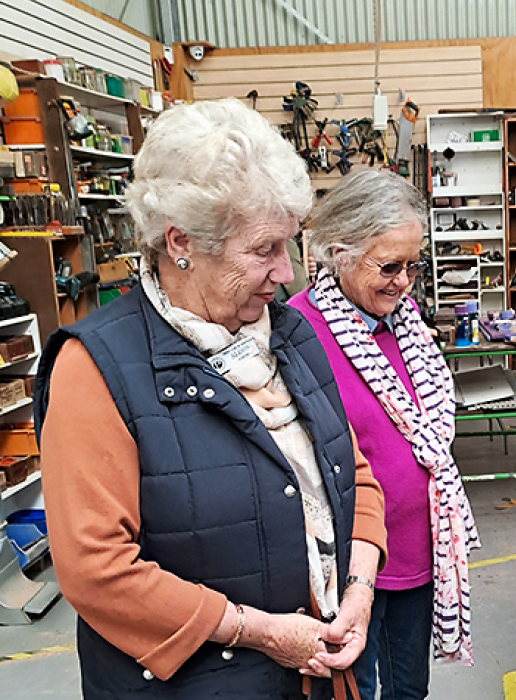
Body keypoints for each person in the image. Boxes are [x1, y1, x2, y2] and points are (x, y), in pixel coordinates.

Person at [34, 98, 387, 700]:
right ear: (181, 242)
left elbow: (352, 473)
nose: (287, 273)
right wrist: (259, 632)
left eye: (288, 245)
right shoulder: (96, 368)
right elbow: (98, 570)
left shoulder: (290, 335)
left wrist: (358, 590)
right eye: (264, 250)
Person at [288, 169, 480, 700]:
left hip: (417, 549)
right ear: (339, 254)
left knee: (409, 690)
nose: (403, 282)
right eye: (389, 266)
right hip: (348, 565)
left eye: (412, 266)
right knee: (354, 689)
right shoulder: (299, 331)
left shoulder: (406, 321)